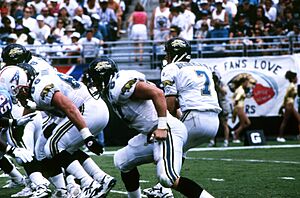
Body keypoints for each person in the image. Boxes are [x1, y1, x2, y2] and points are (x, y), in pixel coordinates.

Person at [86, 56, 214, 198]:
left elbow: (157, 93)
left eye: (96, 79)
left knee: (167, 178)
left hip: (166, 131)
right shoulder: (112, 89)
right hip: (154, 132)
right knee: (122, 160)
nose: (94, 83)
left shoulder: (119, 83)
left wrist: (162, 126)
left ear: (104, 75)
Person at [0, 63, 116, 197]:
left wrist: (87, 136)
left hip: (86, 110)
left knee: (53, 146)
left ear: (23, 87)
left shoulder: (39, 88)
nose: (17, 99)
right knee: (42, 150)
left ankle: (89, 184)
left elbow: (69, 107)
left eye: (17, 94)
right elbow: (57, 108)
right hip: (86, 109)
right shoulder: (38, 84)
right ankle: (97, 179)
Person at [144, 37, 221, 197]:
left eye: (168, 53)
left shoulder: (171, 68)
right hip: (214, 120)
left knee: (162, 145)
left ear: (173, 54)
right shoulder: (204, 66)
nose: (166, 57)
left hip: (194, 116)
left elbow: (170, 104)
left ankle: (164, 188)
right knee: (180, 150)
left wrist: (166, 125)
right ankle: (162, 188)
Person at [229, 73, 256, 143]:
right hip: (239, 108)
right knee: (247, 123)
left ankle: (236, 136)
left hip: (240, 108)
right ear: (243, 82)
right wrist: (235, 110)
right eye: (247, 82)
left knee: (243, 124)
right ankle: (235, 133)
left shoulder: (240, 89)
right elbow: (236, 99)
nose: (247, 84)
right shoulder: (240, 90)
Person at [208, 71, 230, 147]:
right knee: (213, 125)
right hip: (215, 105)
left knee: (225, 124)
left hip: (223, 106)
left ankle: (226, 141)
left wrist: (217, 86)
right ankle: (212, 141)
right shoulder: (210, 84)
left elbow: (224, 92)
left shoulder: (222, 83)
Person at [277, 71, 300, 142]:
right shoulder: (291, 86)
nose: (297, 79)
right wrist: (283, 106)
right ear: (293, 79)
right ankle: (280, 137)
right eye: (296, 78)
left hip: (291, 104)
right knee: (285, 121)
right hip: (289, 105)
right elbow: (286, 96)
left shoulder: (293, 86)